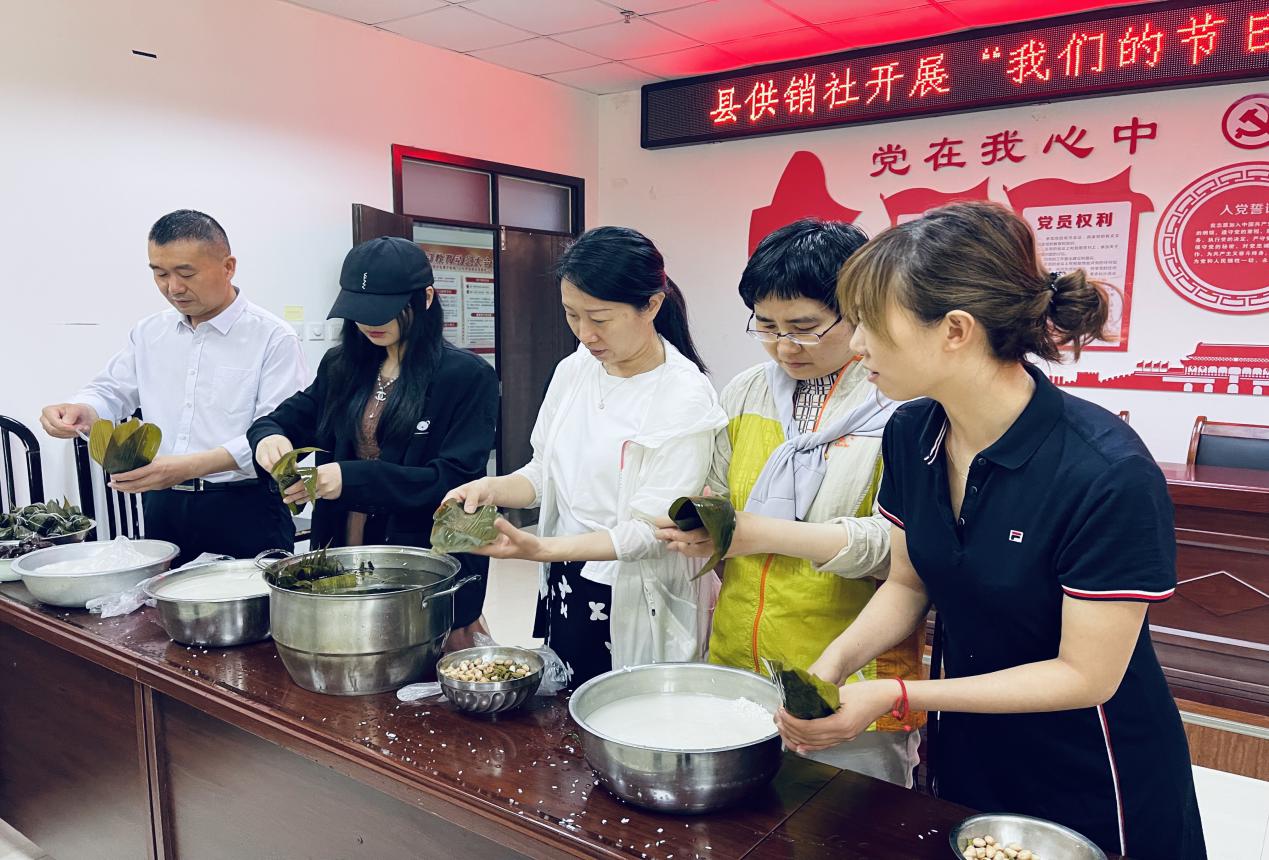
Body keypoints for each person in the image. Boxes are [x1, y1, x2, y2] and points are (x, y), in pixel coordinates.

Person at [776, 202, 1204, 860]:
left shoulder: (1104, 471)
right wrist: (828, 669)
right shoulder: (912, 431)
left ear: (955, 330)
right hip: (967, 736)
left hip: (1088, 763)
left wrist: (894, 694)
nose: (856, 345)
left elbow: (1085, 675)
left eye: (870, 324)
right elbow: (907, 584)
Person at [656, 218, 922, 787]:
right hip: (740, 650)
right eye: (766, 326)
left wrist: (762, 533)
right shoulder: (747, 390)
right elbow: (720, 490)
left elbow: (901, 554)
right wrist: (705, 525)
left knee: (846, 817)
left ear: (858, 310)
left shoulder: (901, 404)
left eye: (804, 327)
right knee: (745, 809)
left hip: (853, 670)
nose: (783, 346)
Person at [444, 226, 726, 688]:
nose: (584, 333)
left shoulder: (684, 396)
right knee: (562, 708)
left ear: (652, 305)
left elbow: (652, 532)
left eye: (600, 318)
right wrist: (491, 487)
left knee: (621, 706)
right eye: (572, 314)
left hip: (630, 587)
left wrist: (540, 548)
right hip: (566, 572)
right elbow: (544, 472)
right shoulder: (575, 369)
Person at [248, 238, 498, 648]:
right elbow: (282, 419)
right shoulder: (342, 366)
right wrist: (269, 437)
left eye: (383, 311)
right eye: (358, 310)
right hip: (343, 542)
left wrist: (349, 478)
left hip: (423, 555)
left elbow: (453, 480)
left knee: (419, 658)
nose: (369, 323)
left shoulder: (466, 377)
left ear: (426, 298)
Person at [40, 210, 306, 565]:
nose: (173, 288)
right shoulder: (150, 332)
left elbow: (276, 432)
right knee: (157, 599)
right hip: (163, 503)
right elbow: (111, 391)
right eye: (160, 273)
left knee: (254, 600)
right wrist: (81, 410)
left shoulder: (272, 337)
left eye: (186, 273)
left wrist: (187, 466)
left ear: (228, 267)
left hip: (245, 506)